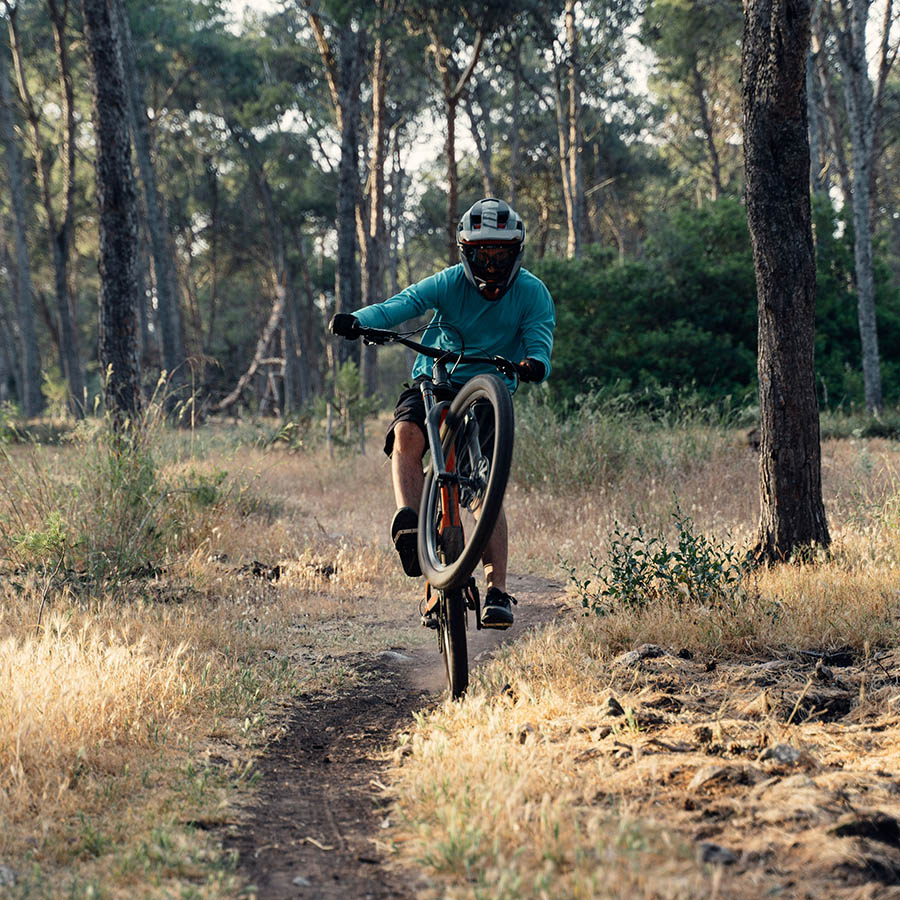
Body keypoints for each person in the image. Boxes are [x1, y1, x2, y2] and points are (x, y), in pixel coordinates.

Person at [330, 197, 555, 629]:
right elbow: (398, 306)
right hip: (437, 379)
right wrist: (356, 320)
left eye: (500, 254)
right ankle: (411, 524)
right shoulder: (448, 283)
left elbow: (539, 341)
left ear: (516, 252)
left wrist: (534, 363)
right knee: (406, 437)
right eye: (481, 253)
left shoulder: (533, 293)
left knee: (484, 493)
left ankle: (498, 592)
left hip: (491, 393)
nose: (491, 264)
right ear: (465, 252)